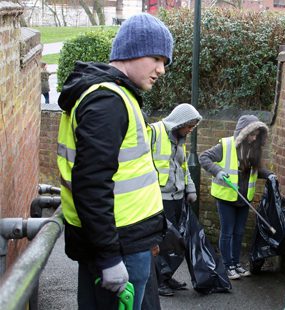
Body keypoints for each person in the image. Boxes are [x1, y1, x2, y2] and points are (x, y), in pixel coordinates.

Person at [56, 13, 173, 310]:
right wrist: (109, 258)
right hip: (119, 248)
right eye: (156, 58)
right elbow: (92, 184)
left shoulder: (114, 95)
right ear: (131, 51)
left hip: (127, 242)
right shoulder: (108, 101)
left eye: (165, 62)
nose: (161, 70)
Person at [200, 115, 274, 280]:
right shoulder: (226, 145)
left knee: (239, 232)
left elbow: (256, 171)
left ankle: (236, 264)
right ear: (242, 132)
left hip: (244, 199)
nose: (254, 138)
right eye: (251, 134)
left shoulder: (254, 149)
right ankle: (227, 266)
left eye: (256, 135)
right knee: (227, 232)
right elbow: (204, 157)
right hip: (226, 197)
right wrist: (217, 171)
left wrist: (270, 175)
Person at [148, 103, 202, 296]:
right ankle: (159, 281)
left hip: (177, 197)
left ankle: (167, 276)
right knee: (162, 241)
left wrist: (191, 188)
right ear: (180, 122)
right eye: (189, 126)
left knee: (174, 241)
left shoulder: (180, 139)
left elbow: (183, 166)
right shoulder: (154, 132)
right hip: (159, 197)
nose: (190, 130)